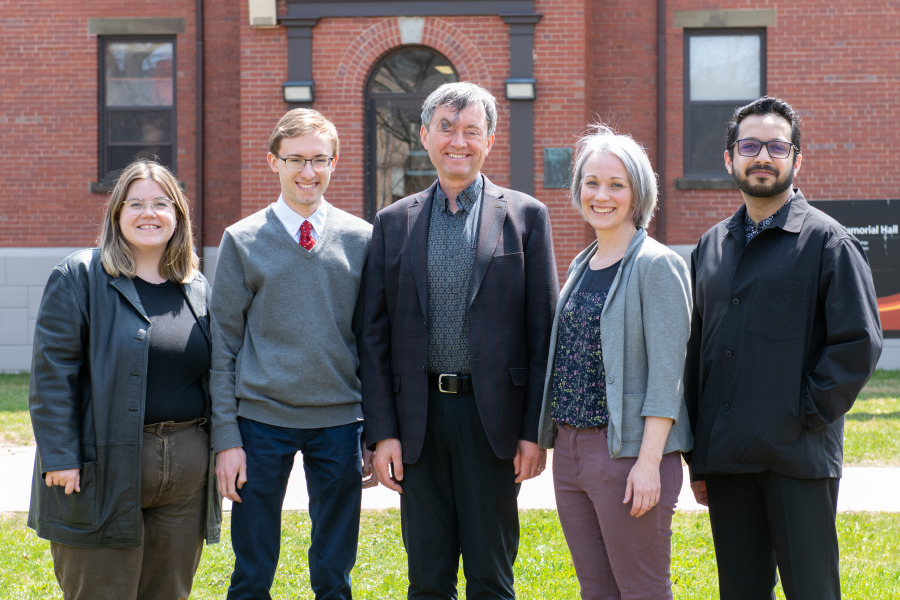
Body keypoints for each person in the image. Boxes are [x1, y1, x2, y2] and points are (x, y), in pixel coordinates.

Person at [360, 81, 559, 599]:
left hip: (492, 422)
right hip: (418, 422)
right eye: (446, 128)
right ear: (425, 135)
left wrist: (535, 431)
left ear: (489, 140)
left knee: (492, 577)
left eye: (472, 130)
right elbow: (374, 338)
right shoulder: (392, 223)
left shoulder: (526, 218)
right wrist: (383, 432)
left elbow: (544, 335)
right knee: (427, 577)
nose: (458, 141)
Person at [684, 96, 883, 600]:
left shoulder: (828, 243)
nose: (763, 156)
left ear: (797, 158)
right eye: (750, 145)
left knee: (812, 590)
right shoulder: (711, 247)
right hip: (729, 461)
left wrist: (804, 414)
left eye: (777, 146)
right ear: (729, 158)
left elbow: (858, 343)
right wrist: (700, 457)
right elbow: (697, 355)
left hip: (799, 458)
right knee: (740, 592)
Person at [27, 159, 221, 599]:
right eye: (135, 203)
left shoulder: (195, 288)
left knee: (169, 593)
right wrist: (60, 456)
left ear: (178, 216)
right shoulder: (79, 277)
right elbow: (53, 376)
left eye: (160, 203)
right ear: (116, 214)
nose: (148, 213)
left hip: (185, 481)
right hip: (102, 472)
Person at [210, 108, 373, 600]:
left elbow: (372, 342)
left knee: (334, 572)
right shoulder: (242, 241)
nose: (308, 172)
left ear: (334, 163)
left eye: (319, 160)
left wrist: (375, 428)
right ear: (273, 162)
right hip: (261, 421)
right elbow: (224, 345)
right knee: (252, 571)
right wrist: (226, 438)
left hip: (340, 421)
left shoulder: (362, 239)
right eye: (296, 159)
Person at [536, 125, 693, 599]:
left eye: (616, 185)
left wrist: (648, 465)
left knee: (642, 591)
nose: (600, 195)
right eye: (591, 182)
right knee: (596, 591)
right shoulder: (582, 265)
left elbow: (669, 376)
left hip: (627, 454)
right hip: (570, 454)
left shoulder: (656, 265)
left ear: (638, 194)